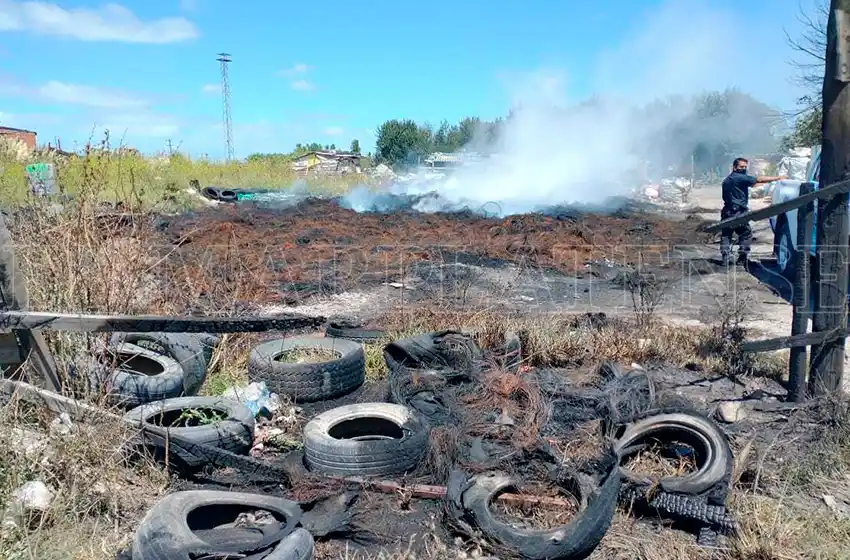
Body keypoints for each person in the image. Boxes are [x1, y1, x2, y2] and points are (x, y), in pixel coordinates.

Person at [720, 157, 786, 267]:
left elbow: (753, 184)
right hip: (738, 212)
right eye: (741, 167)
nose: (744, 169)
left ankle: (725, 259)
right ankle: (742, 259)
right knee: (745, 234)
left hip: (727, 211)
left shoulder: (727, 180)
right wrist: (778, 178)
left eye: (745, 167)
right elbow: (758, 179)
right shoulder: (739, 178)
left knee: (726, 235)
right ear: (734, 167)